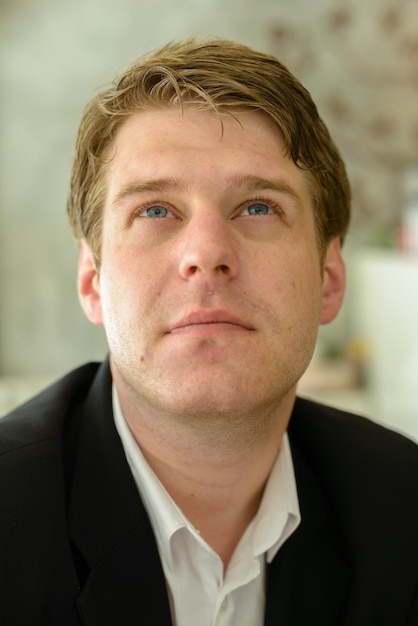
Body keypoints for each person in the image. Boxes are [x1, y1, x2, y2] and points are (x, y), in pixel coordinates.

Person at [0, 38, 417, 626]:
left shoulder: (403, 509)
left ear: (328, 279)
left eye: (258, 207)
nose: (207, 253)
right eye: (153, 210)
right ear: (93, 281)